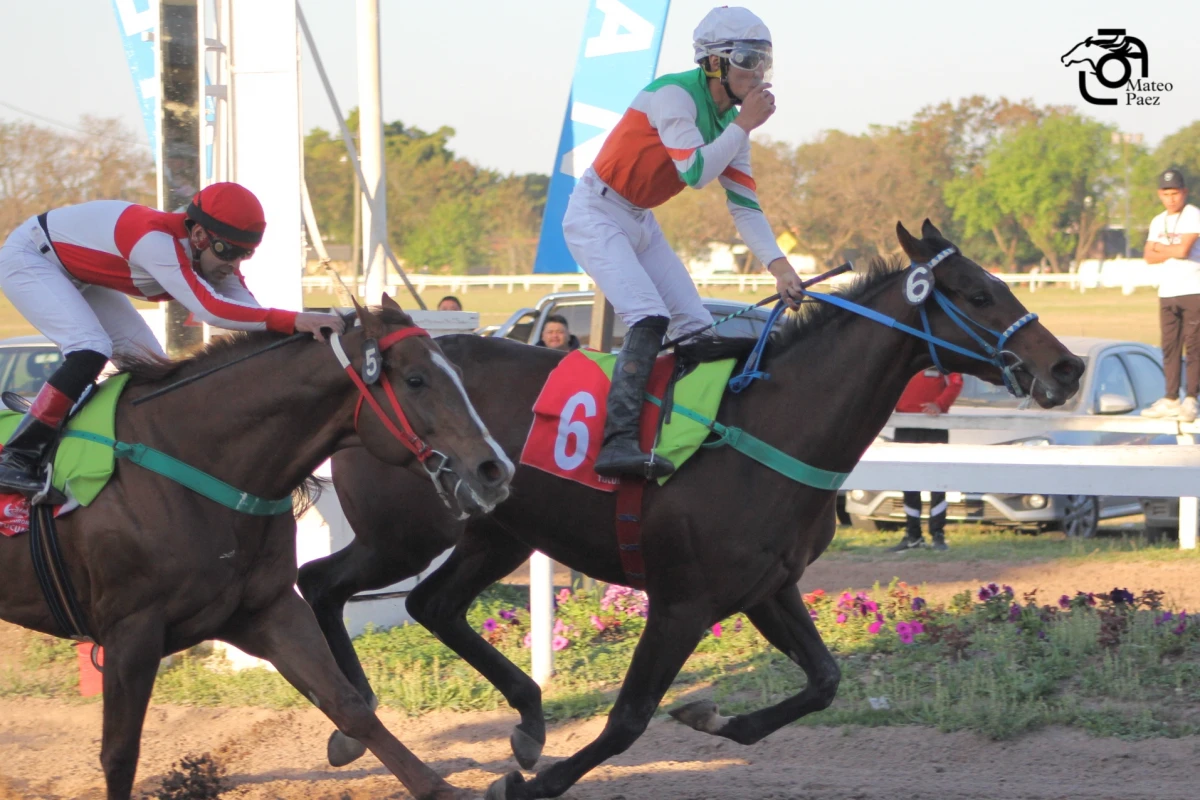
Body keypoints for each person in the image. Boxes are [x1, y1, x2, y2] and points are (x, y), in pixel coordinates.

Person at [562, 5, 805, 479]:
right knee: (649, 315)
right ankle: (616, 445)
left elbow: (745, 205)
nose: (758, 73)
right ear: (714, 62)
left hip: (638, 218)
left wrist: (778, 265)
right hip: (596, 211)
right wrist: (741, 127)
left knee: (695, 331)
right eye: (747, 60)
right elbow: (694, 172)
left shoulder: (735, 126)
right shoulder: (673, 95)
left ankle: (685, 428)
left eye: (763, 60)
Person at [0, 182, 345, 494]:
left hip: (75, 271)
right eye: (228, 252)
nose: (235, 263)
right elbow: (211, 309)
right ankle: (16, 457)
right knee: (91, 348)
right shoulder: (156, 242)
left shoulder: (211, 251)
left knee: (150, 369)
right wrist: (296, 319)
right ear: (199, 237)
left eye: (245, 253)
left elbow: (251, 314)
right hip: (30, 259)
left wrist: (303, 338)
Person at [1141, 168, 1200, 423]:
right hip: (1168, 291)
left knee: (1194, 346)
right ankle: (1171, 397)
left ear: (1184, 192)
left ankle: (1192, 399)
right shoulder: (1158, 221)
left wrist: (1161, 247)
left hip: (1193, 289)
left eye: (1175, 193)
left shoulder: (1192, 215)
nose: (1171, 198)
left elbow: (1184, 249)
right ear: (1159, 194)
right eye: (1166, 193)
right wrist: (1169, 250)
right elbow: (1148, 257)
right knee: (1169, 347)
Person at [888, 369, 963, 552]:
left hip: (935, 426)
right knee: (909, 481)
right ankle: (913, 535)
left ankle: (937, 534)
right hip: (905, 425)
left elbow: (956, 381)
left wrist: (940, 404)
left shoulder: (939, 358)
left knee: (937, 481)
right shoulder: (902, 356)